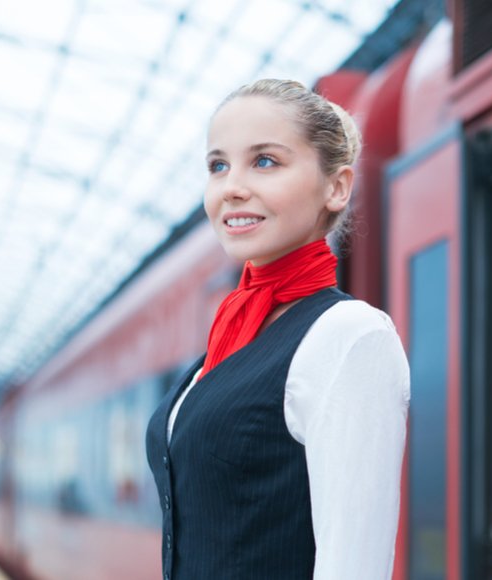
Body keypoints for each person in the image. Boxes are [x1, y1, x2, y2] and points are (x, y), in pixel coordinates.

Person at [145, 79, 410, 580]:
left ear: (336, 187)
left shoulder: (350, 336)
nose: (232, 187)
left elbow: (354, 565)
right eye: (218, 165)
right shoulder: (231, 338)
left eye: (265, 161)